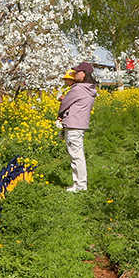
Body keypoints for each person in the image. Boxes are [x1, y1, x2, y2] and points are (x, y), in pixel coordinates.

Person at [57, 62, 98, 192]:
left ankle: (80, 186)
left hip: (73, 124)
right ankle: (80, 184)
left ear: (84, 74)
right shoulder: (90, 88)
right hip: (80, 124)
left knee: (76, 156)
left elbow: (65, 103)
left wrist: (60, 114)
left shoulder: (78, 89)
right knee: (78, 155)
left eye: (77, 72)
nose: (74, 74)